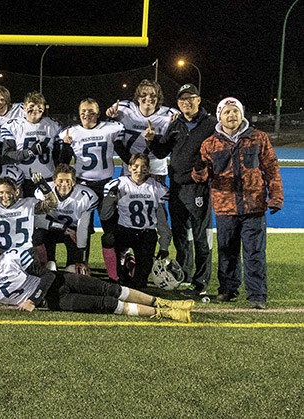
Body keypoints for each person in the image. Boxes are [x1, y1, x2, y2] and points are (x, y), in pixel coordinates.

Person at [192, 97, 283, 309]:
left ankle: (257, 295)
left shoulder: (259, 138)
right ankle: (227, 289)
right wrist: (198, 169)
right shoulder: (209, 144)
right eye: (227, 112)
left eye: (235, 111)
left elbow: (271, 169)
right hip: (225, 207)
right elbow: (201, 178)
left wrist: (276, 197)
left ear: (241, 114)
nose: (231, 115)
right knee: (227, 251)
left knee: (254, 253)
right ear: (219, 116)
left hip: (254, 206)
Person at [0, 243, 193, 322]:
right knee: (105, 304)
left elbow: (48, 275)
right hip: (55, 301)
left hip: (58, 282)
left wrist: (32, 299)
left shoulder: (11, 258)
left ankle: (163, 303)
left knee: (110, 288)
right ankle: (164, 314)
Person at [150, 84, 216, 296]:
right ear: (178, 103)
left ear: (199, 99)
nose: (186, 102)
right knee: (181, 235)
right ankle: (184, 274)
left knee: (201, 236)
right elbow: (162, 152)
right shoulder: (176, 124)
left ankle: (201, 281)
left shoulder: (211, 124)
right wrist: (151, 140)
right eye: (182, 100)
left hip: (198, 188)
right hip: (177, 186)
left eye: (190, 98)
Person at [56, 98, 127, 278]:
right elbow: (62, 162)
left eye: (91, 111)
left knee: (110, 230)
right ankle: (82, 264)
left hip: (105, 184)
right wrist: (65, 146)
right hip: (82, 185)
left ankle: (115, 269)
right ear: (79, 113)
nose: (87, 114)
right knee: (83, 228)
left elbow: (124, 150)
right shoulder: (71, 132)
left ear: (98, 112)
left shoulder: (110, 128)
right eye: (83, 111)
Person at [101, 153, 171, 289]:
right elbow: (105, 215)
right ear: (129, 167)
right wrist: (110, 197)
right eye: (136, 166)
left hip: (146, 234)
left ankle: (130, 264)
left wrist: (164, 246)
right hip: (125, 231)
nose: (139, 170)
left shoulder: (157, 188)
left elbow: (162, 220)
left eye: (143, 166)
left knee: (140, 283)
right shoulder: (119, 184)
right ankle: (113, 277)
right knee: (108, 239)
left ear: (149, 169)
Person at [105, 79, 178, 183]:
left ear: (158, 98)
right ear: (138, 98)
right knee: (127, 197)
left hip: (155, 168)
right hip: (131, 167)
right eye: (144, 95)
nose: (148, 98)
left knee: (156, 198)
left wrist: (175, 126)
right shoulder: (123, 109)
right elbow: (112, 135)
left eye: (153, 95)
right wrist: (110, 117)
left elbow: (169, 146)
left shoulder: (169, 115)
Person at [32, 164, 98, 273]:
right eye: (60, 180)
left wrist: (81, 252)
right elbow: (39, 221)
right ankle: (44, 264)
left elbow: (83, 227)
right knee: (38, 236)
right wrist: (62, 228)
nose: (64, 184)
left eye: (68, 181)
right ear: (54, 180)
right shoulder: (44, 192)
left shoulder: (86, 196)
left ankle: (76, 265)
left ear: (74, 181)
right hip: (53, 229)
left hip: (74, 231)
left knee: (74, 269)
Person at [0, 91, 64, 196]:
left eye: (39, 106)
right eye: (31, 106)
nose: (35, 109)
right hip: (23, 179)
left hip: (47, 177)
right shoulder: (14, 126)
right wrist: (29, 152)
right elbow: (7, 156)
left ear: (44, 108)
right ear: (24, 107)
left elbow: (58, 156)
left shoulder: (53, 125)